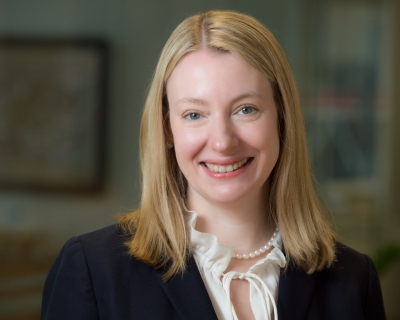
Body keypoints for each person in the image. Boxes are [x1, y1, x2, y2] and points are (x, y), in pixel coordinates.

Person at [41, 10, 386, 320]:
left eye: (246, 109)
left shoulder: (353, 279)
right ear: (167, 128)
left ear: (282, 118)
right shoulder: (93, 270)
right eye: (194, 114)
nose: (222, 141)